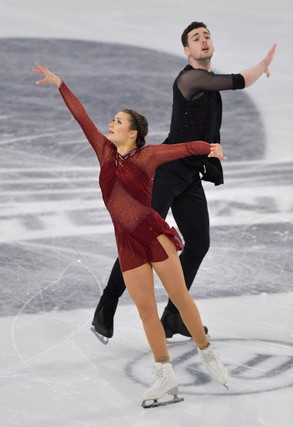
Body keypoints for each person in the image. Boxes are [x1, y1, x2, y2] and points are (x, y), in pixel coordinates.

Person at [33, 62, 227, 407]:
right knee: (146, 311)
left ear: (133, 132)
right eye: (113, 120)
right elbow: (82, 118)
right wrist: (60, 84)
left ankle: (209, 355)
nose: (111, 124)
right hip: (127, 246)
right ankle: (164, 376)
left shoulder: (147, 156)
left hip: (155, 238)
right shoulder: (105, 153)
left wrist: (210, 148)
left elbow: (181, 149)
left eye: (119, 121)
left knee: (181, 299)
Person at [92, 21, 276, 342]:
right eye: (196, 38)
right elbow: (238, 81)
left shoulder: (206, 81)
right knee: (138, 241)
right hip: (166, 171)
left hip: (189, 173)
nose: (203, 40)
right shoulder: (190, 79)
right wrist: (261, 66)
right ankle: (105, 307)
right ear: (187, 50)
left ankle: (174, 317)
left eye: (207, 36)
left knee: (199, 243)